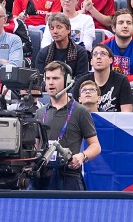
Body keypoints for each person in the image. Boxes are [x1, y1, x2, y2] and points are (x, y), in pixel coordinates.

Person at [31, 61, 101, 191]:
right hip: (42, 176)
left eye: (56, 78)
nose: (51, 82)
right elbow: (36, 144)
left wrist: (81, 156)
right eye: (48, 78)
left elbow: (96, 146)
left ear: (67, 81)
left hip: (69, 176)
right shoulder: (40, 112)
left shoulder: (80, 111)